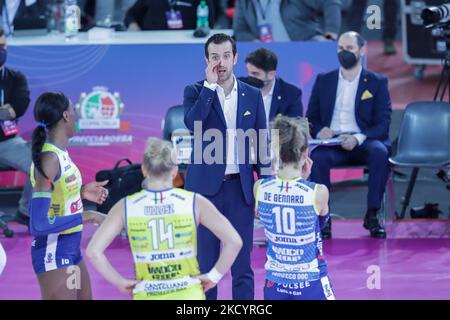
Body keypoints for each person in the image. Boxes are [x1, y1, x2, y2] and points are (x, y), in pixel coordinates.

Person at [86, 137, 242, 300]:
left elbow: (93, 252)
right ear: (175, 171)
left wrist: (119, 282)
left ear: (144, 170)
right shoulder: (195, 202)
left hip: (147, 294)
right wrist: (213, 277)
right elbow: (235, 241)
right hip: (188, 295)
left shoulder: (125, 206)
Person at [183, 33, 270, 300]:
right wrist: (210, 88)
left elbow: (262, 142)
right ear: (206, 61)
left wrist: (263, 185)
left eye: (225, 56)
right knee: (206, 265)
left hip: (240, 190)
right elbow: (193, 125)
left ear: (235, 58)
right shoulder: (195, 91)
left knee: (242, 264)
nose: (220, 62)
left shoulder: (252, 95)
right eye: (214, 57)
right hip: (205, 192)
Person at [306, 31, 392, 239]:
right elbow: (311, 117)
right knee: (317, 157)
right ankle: (323, 219)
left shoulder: (376, 82)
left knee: (380, 152)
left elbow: (383, 123)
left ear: (362, 51)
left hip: (363, 141)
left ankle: (373, 215)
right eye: (341, 49)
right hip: (333, 142)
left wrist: (357, 138)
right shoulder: (324, 80)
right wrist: (319, 130)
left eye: (350, 49)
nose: (344, 53)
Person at [30, 91, 108, 300]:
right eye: (73, 111)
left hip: (70, 246)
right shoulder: (50, 158)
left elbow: (57, 195)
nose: (76, 116)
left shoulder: (59, 153)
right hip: (53, 249)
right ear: (65, 116)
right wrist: (90, 216)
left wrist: (81, 192)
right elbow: (38, 224)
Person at [254, 115, 335, 300]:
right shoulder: (318, 192)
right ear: (305, 152)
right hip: (311, 282)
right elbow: (319, 226)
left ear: (274, 151)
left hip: (275, 283)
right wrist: (305, 180)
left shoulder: (259, 188)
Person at [0, 27, 32, 226]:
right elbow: (7, 111)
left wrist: (9, 111)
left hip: (7, 141)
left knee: (41, 162)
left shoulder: (15, 78)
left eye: (2, 46)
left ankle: (25, 211)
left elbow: (18, 108)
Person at [244, 47, 303, 127]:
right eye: (248, 72)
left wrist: (274, 138)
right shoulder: (239, 87)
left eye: (255, 74)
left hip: (277, 138)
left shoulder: (291, 94)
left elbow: (294, 129)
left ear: (271, 74)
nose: (249, 77)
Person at [232, 0, 342, 42]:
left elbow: (331, 3)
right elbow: (240, 30)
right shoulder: (244, 2)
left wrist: (330, 35)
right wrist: (254, 42)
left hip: (304, 47)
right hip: (267, 56)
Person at [125, 0, 216, 31]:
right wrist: (133, 24)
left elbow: (209, 23)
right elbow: (131, 15)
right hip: (152, 47)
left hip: (187, 47)